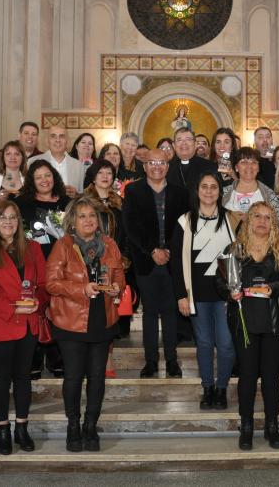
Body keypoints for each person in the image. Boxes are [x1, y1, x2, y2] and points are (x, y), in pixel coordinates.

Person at [216, 201, 279, 450]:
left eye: (267, 217)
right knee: (248, 376)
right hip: (244, 322)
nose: (262, 221)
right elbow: (219, 283)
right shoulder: (234, 250)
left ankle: (272, 426)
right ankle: (247, 425)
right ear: (248, 221)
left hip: (274, 322)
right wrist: (231, 294)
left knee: (272, 377)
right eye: (257, 216)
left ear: (274, 222)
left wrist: (273, 289)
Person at [46, 196, 125, 452]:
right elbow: (51, 283)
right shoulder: (63, 246)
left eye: (92, 215)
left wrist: (116, 289)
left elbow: (120, 277)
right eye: (82, 216)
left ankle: (91, 425)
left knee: (97, 378)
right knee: (73, 377)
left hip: (102, 319)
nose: (88, 220)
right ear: (73, 221)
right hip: (70, 321)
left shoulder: (110, 244)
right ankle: (73, 426)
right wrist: (82, 288)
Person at [0, 201, 46, 455]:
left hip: (28, 324)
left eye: (13, 217)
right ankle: (3, 428)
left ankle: (21, 428)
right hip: (0, 324)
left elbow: (44, 284)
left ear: (19, 221)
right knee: (1, 379)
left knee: (24, 378)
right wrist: (12, 308)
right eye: (2, 218)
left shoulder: (33, 248)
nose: (8, 222)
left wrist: (38, 301)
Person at [171, 171, 239, 410]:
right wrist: (181, 294)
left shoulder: (233, 219)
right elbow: (177, 263)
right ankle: (208, 388)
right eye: (204, 187)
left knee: (227, 344)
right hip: (197, 295)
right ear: (197, 191)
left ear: (220, 192)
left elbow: (240, 258)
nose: (209, 191)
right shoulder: (185, 221)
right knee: (204, 343)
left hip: (226, 296)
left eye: (214, 187)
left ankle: (222, 388)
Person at [122, 149, 189, 378]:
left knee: (171, 313)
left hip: (172, 262)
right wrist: (152, 250)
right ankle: (150, 361)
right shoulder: (133, 191)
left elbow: (184, 227)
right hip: (146, 261)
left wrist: (168, 250)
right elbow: (131, 227)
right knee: (150, 312)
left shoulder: (180, 193)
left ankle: (172, 360)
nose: (157, 166)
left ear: (167, 167)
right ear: (145, 165)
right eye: (152, 162)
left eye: (162, 162)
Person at [12, 159, 70, 378]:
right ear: (31, 181)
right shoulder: (22, 204)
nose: (44, 180)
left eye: (48, 175)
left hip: (62, 266)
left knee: (58, 311)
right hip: (32, 264)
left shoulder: (66, 202)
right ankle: (34, 358)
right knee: (35, 310)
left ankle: (57, 358)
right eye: (38, 177)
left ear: (54, 177)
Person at [83, 159, 130, 369]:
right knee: (92, 312)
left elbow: (125, 235)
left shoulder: (119, 203)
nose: (105, 176)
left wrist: (122, 260)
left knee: (111, 311)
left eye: (109, 173)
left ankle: (108, 358)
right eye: (100, 172)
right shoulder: (83, 203)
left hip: (113, 264)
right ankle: (91, 359)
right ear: (93, 177)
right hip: (87, 263)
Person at [222, 147, 279, 225]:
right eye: (244, 162)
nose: (249, 166)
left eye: (254, 162)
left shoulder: (268, 193)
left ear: (258, 168)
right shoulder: (223, 192)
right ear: (236, 168)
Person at [29, 125, 85, 198]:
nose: (57, 140)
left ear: (67, 141)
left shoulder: (78, 166)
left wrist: (77, 195)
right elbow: (28, 191)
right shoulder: (32, 162)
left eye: (61, 136)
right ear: (47, 141)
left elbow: (81, 196)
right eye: (53, 136)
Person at [167, 127, 217, 192]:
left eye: (188, 139)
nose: (184, 143)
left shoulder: (210, 167)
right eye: (179, 140)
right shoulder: (166, 167)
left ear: (195, 144)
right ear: (173, 145)